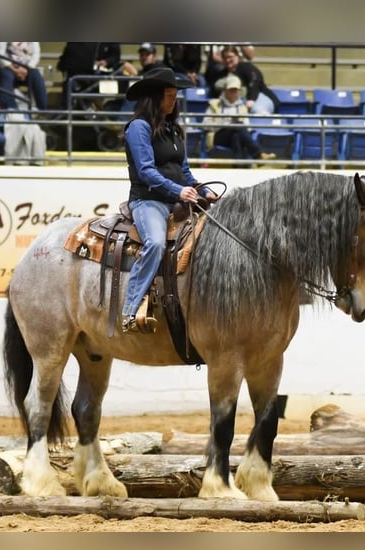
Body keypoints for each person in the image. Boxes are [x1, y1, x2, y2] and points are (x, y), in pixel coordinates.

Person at [120, 67, 219, 334]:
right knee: (154, 243)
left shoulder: (173, 129)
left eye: (175, 95)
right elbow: (146, 171)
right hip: (148, 201)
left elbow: (184, 171)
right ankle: (129, 309)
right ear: (154, 97)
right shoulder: (138, 128)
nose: (174, 100)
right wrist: (178, 191)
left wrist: (201, 189)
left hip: (177, 198)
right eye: (169, 95)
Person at [204, 74, 275, 162]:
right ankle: (258, 154)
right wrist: (224, 123)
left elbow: (247, 127)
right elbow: (205, 124)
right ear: (225, 90)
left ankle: (238, 163)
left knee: (236, 135)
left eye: (236, 90)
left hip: (236, 135)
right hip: (218, 136)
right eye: (231, 90)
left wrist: (234, 124)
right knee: (237, 125)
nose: (234, 93)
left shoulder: (242, 107)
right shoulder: (215, 104)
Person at [213, 46, 280, 115]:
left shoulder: (246, 67)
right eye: (225, 58)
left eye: (230, 57)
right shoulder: (222, 74)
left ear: (237, 56)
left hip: (258, 97)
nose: (227, 60)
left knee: (257, 111)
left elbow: (255, 82)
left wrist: (251, 99)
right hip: (240, 101)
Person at [0, 42, 48, 111]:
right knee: (6, 76)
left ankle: (43, 110)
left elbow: (36, 54)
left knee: (36, 76)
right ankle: (11, 110)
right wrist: (15, 70)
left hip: (26, 68)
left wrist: (27, 68)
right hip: (7, 67)